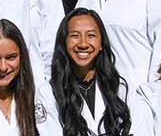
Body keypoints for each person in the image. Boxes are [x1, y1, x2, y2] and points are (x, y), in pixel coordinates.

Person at [50, 8, 133, 136]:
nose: (83, 43)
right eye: (75, 35)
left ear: (101, 43)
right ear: (64, 42)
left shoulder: (121, 88)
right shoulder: (48, 93)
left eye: (91, 35)